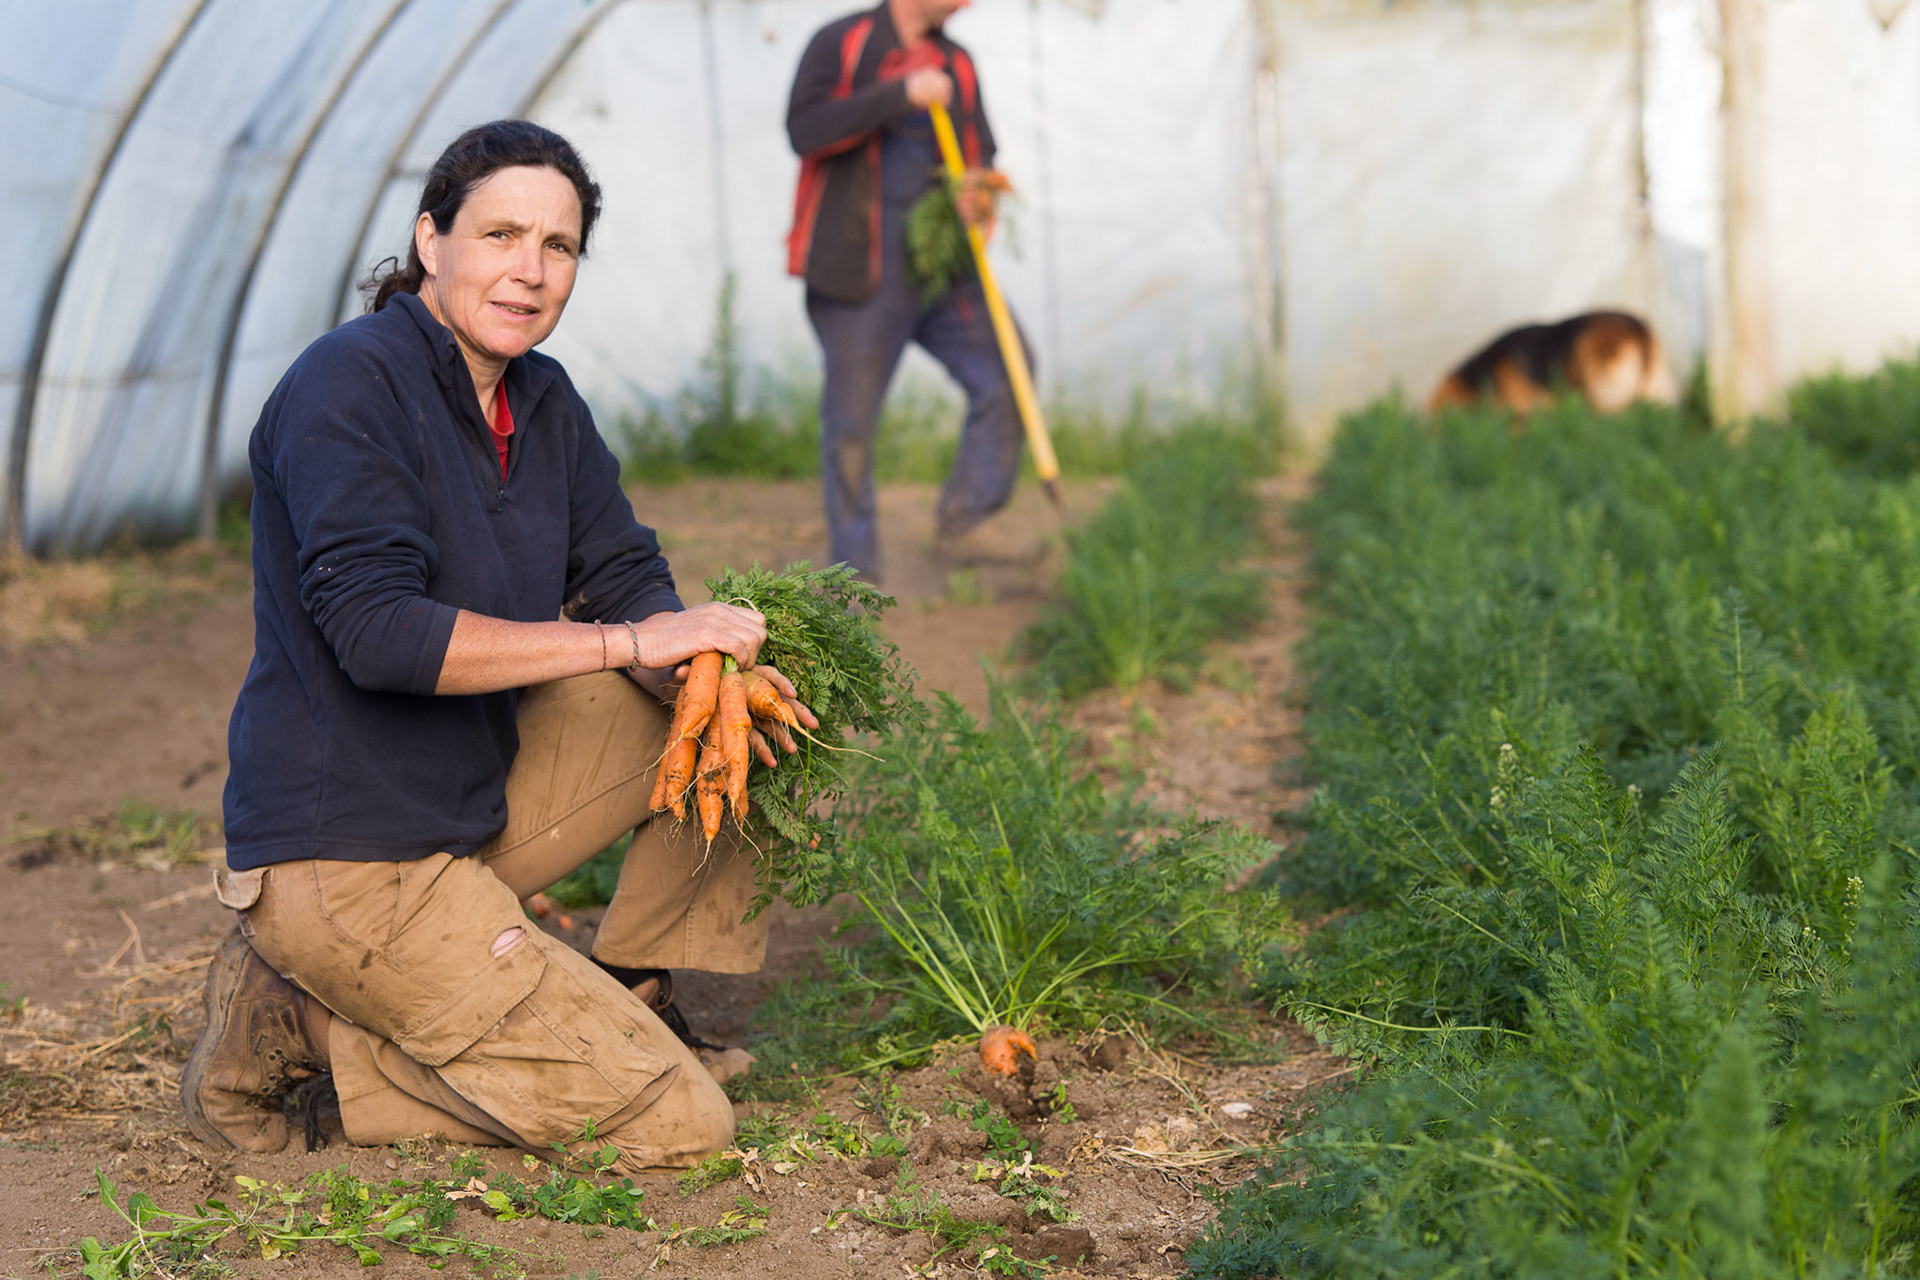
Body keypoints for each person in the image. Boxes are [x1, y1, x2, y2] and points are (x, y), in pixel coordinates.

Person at [180, 119, 816, 1172]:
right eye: (501, 234)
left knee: (754, 721)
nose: (530, 270)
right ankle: (308, 1027)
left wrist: (695, 663)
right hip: (349, 852)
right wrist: (627, 642)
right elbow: (379, 634)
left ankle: (632, 994)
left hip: (467, 800)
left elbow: (624, 573)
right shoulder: (351, 385)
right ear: (433, 241)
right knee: (681, 1126)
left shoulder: (542, 399)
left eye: (558, 246)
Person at [786, 0, 1034, 581]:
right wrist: (899, 94)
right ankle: (855, 576)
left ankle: (968, 520)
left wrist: (979, 189)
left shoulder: (959, 64)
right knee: (851, 426)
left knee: (1009, 374)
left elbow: (981, 155)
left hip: (944, 273)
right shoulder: (841, 43)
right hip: (859, 269)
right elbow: (805, 131)